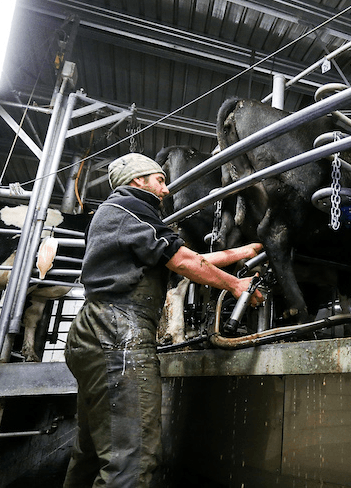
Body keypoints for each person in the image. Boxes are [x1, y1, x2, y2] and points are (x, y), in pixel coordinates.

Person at [63, 152, 263, 487]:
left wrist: (241, 253)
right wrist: (236, 284)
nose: (167, 190)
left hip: (93, 331)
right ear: (137, 181)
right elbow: (185, 262)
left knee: (94, 450)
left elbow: (184, 258)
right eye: (160, 180)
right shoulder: (131, 207)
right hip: (118, 331)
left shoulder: (117, 215)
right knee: (133, 455)